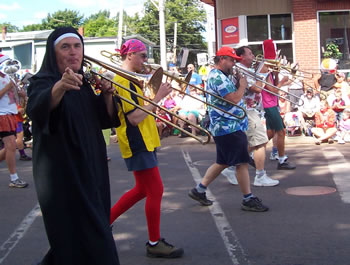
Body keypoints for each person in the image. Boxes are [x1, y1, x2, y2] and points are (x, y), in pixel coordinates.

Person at [26, 27, 120, 265]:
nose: (73, 52)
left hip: (92, 169)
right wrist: (60, 86)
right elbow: (38, 109)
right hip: (63, 176)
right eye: (65, 47)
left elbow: (103, 120)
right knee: (86, 238)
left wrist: (107, 95)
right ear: (53, 53)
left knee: (78, 240)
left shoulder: (84, 83)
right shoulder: (42, 82)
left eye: (77, 46)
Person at [109, 39, 184, 259]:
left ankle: (104, 222)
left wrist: (154, 95)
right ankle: (153, 243)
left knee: (142, 190)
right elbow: (134, 118)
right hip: (137, 140)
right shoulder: (122, 80)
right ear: (130, 55)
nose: (145, 60)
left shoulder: (133, 79)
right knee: (156, 190)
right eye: (142, 55)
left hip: (145, 139)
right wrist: (158, 98)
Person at [188, 46, 269, 212]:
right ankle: (248, 198)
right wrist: (242, 85)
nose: (233, 63)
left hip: (229, 125)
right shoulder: (217, 77)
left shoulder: (223, 76)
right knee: (241, 163)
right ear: (222, 59)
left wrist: (238, 81)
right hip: (228, 126)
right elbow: (233, 98)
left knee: (222, 162)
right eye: (232, 60)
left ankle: (199, 190)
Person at [221, 46, 279, 187]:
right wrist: (264, 74)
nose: (253, 56)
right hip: (247, 110)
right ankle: (260, 176)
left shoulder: (248, 70)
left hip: (252, 110)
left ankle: (231, 167)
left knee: (253, 142)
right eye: (250, 53)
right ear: (242, 56)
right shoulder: (240, 70)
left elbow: (268, 87)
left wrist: (268, 74)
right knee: (260, 142)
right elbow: (257, 88)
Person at [261, 39, 296, 170]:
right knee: (281, 132)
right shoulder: (264, 67)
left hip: (272, 103)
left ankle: (250, 154)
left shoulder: (269, 67)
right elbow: (274, 89)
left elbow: (275, 86)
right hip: (268, 105)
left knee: (270, 134)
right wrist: (282, 81)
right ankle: (282, 160)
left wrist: (283, 77)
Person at [0, 54, 29, 188]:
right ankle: (14, 178)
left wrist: (22, 96)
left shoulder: (9, 77)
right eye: (6, 63)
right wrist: (7, 88)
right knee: (11, 145)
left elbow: (17, 99)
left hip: (11, 114)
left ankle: (14, 178)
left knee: (9, 148)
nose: (10, 67)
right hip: (2, 114)